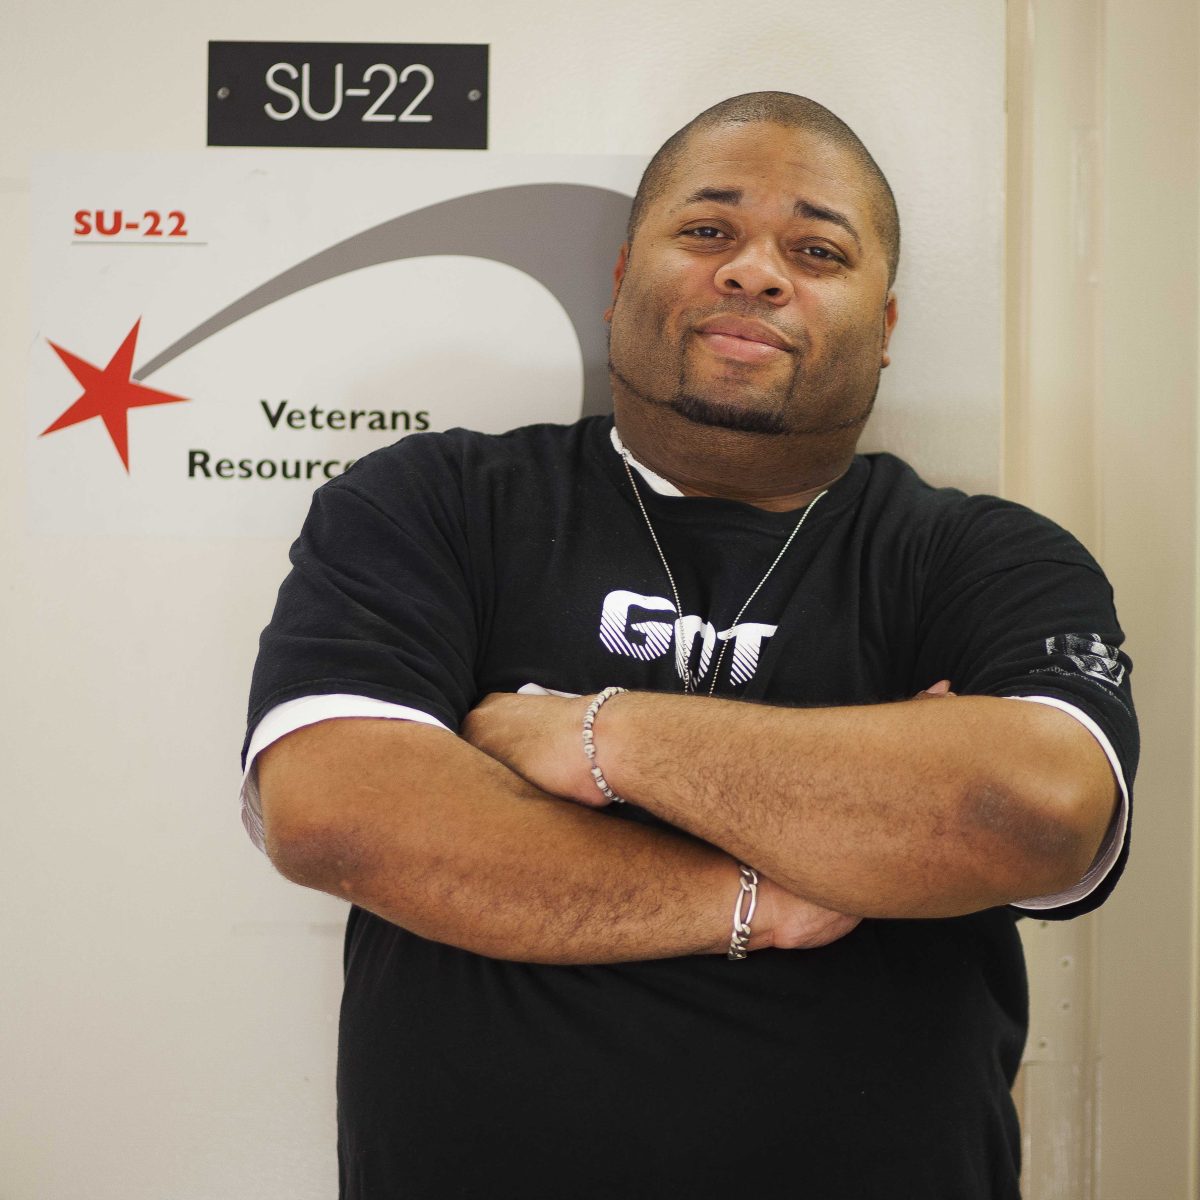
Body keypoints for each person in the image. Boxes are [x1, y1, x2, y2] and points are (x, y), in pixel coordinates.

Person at [241, 93, 1136, 1199]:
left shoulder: (984, 559)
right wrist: (766, 895)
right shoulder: (434, 505)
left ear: (885, 325)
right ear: (622, 280)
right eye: (709, 231)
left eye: (816, 250)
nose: (756, 273)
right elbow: (337, 814)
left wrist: (591, 733)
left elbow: (1028, 813)